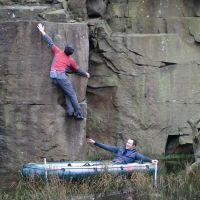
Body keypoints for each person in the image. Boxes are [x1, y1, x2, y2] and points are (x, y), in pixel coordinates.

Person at [37, 23, 90, 120]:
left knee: (67, 93)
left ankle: (70, 112)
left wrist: (42, 31)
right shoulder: (70, 60)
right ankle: (78, 114)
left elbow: (50, 42)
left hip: (53, 77)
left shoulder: (58, 51)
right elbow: (77, 69)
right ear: (71, 53)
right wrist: (86, 74)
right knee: (72, 94)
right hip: (61, 77)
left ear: (64, 49)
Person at [87, 138, 158, 164]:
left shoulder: (135, 154)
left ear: (133, 146)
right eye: (127, 142)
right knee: (98, 162)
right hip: (113, 163)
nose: (127, 144)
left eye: (129, 143)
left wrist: (151, 160)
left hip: (119, 165)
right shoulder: (120, 149)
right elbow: (108, 147)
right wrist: (95, 143)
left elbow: (143, 157)